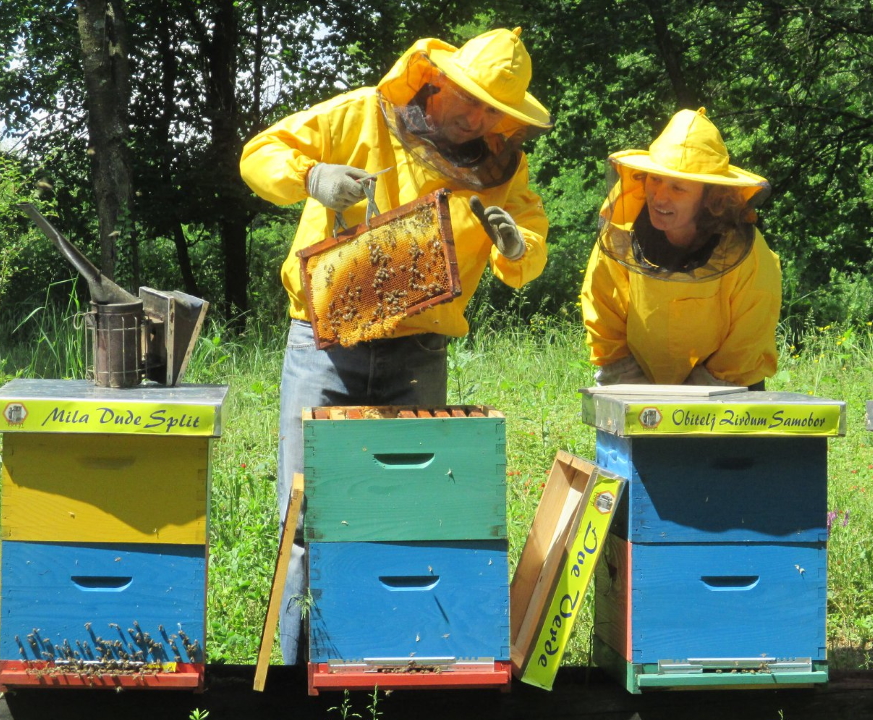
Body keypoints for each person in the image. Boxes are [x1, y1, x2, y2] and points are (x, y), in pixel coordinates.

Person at [239, 28, 551, 664]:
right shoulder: (360, 114)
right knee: (307, 515)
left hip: (419, 351)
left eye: (494, 108)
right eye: (468, 97)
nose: (476, 116)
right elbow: (259, 154)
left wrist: (519, 247)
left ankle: (385, 665)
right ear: (438, 79)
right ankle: (302, 673)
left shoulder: (498, 165)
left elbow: (530, 236)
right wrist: (311, 175)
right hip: (326, 345)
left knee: (408, 517)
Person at [580, 108, 781, 389]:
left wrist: (704, 389)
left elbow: (750, 331)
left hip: (727, 389)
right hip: (637, 382)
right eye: (656, 179)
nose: (659, 196)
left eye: (678, 188)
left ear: (709, 196)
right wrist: (627, 377)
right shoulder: (621, 237)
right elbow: (603, 308)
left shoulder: (747, 251)